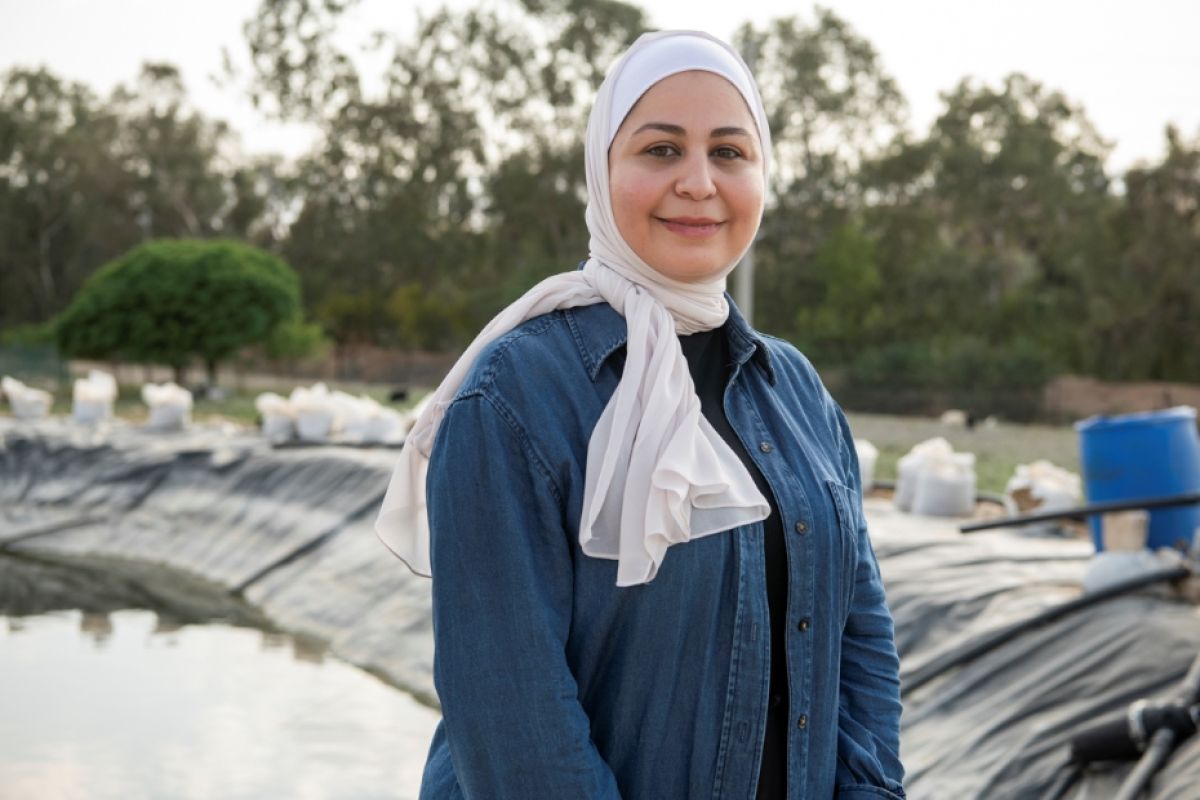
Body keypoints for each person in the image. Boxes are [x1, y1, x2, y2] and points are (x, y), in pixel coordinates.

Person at [376, 29, 905, 800]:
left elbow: (859, 636)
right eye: (661, 150)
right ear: (601, 170)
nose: (698, 182)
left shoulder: (795, 391)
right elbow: (512, 714)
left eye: (729, 152)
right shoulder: (516, 395)